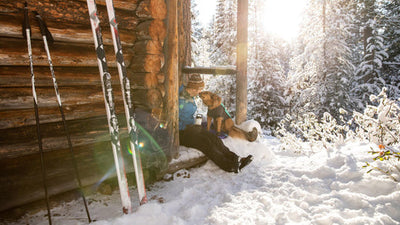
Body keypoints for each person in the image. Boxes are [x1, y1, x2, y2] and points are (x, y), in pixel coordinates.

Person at [178, 74, 252, 173]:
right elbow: (176, 118)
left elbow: (186, 115)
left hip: (191, 129)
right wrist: (187, 126)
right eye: (199, 89)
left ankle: (237, 159)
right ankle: (229, 166)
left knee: (214, 138)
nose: (199, 92)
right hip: (181, 132)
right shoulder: (179, 98)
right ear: (193, 88)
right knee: (206, 143)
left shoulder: (189, 96)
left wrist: (195, 124)